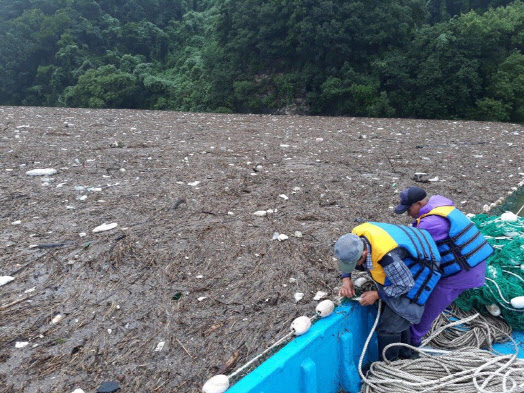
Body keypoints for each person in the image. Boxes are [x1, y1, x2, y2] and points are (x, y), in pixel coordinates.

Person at [394, 187, 493, 347]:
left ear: (419, 203)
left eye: (408, 209)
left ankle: (412, 344)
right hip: (475, 264)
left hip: (463, 273)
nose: (408, 214)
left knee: (426, 311)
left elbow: (411, 249)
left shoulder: (431, 223)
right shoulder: (440, 206)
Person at [334, 222, 441, 362]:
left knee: (390, 326)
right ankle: (406, 353)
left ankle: (389, 365)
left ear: (364, 253)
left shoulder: (388, 259)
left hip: (420, 267)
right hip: (402, 263)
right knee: (392, 308)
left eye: (354, 263)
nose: (352, 267)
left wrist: (377, 294)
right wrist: (346, 279)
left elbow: (406, 284)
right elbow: (348, 258)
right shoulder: (355, 239)